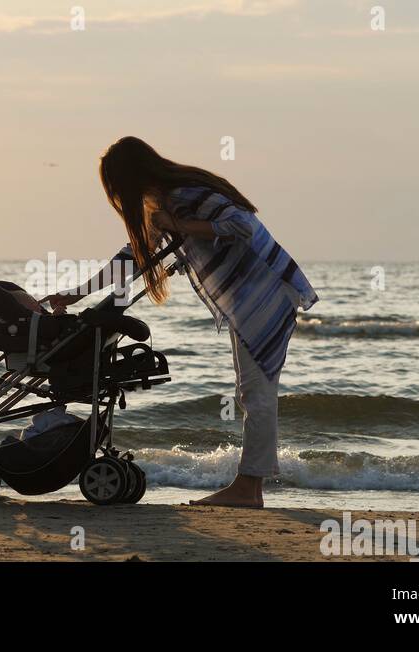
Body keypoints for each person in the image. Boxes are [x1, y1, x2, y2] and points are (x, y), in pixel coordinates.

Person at [41, 136, 319, 508]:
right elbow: (134, 258)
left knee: (257, 392)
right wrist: (79, 293)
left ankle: (247, 487)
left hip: (265, 293)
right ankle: (251, 488)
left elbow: (241, 226)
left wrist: (179, 223)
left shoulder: (185, 193)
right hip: (254, 297)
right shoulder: (165, 200)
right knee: (253, 391)